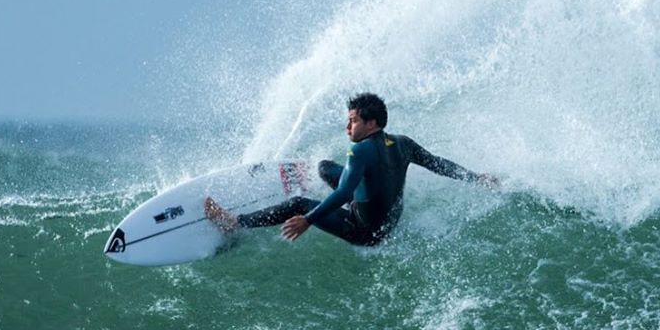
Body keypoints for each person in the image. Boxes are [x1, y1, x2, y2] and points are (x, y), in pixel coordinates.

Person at [204, 92, 500, 247]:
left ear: (372, 124)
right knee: (324, 168)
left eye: (354, 121)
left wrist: (308, 220)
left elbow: (345, 190)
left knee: (297, 204)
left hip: (367, 232)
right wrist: (477, 178)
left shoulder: (360, 150)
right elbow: (437, 163)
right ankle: (324, 193)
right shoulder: (403, 143)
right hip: (389, 223)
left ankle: (235, 223)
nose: (348, 127)